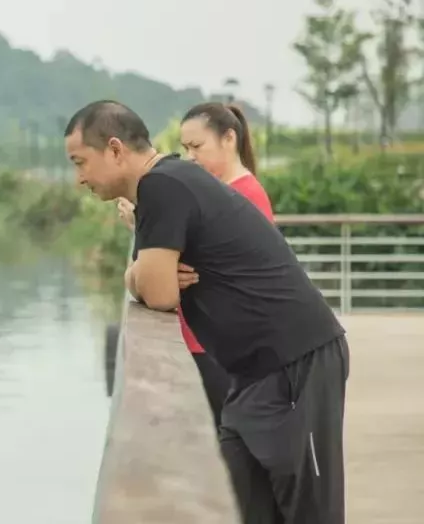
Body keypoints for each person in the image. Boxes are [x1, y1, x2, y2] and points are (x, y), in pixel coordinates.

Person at [64, 100, 349, 524]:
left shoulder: (162, 187)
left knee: (310, 513)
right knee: (243, 506)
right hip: (249, 373)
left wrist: (144, 275)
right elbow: (147, 280)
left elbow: (160, 294)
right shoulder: (165, 184)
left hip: (296, 361)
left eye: (80, 162)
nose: (79, 178)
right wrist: (139, 274)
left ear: (115, 149)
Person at [115, 101, 274, 429]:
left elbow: (177, 272)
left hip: (221, 346)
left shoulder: (243, 197)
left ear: (229, 139)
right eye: (185, 148)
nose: (190, 157)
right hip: (206, 341)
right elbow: (165, 269)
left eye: (197, 146)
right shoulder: (220, 194)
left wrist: (145, 229)